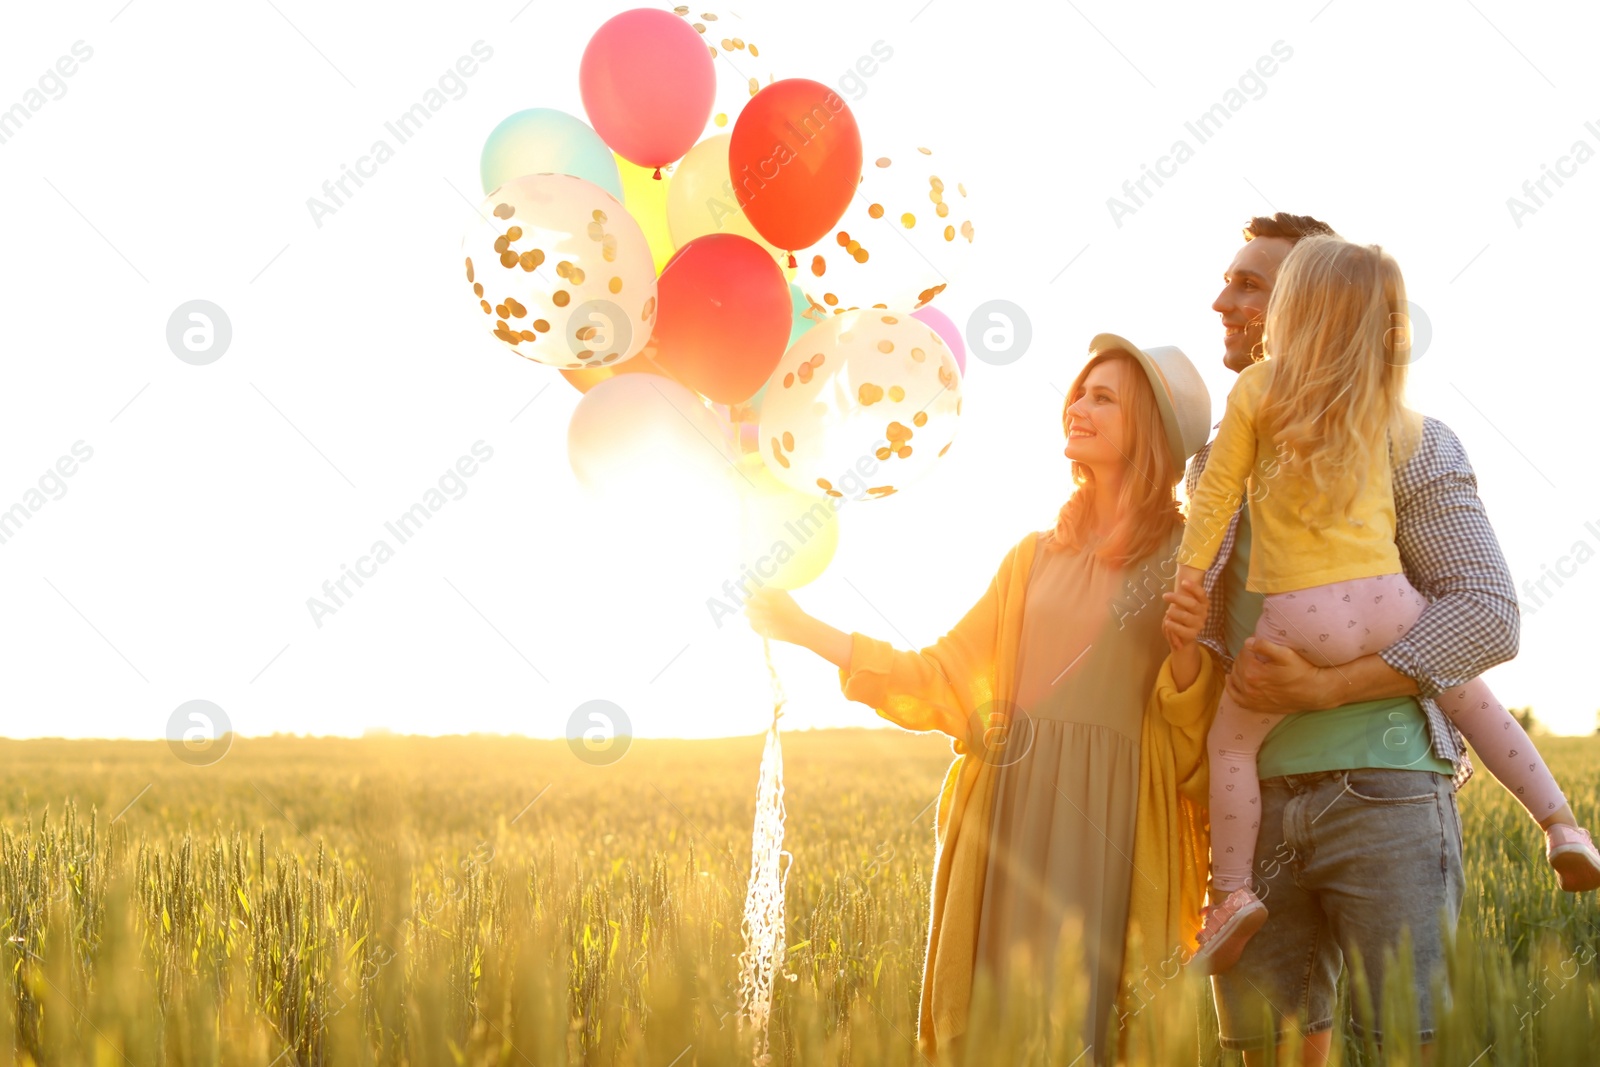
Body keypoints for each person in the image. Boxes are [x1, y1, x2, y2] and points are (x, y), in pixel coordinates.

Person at [745, 335, 1219, 1064]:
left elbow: (1198, 738)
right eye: (1080, 390)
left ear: (1150, 432)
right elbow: (942, 674)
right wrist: (806, 629)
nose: (1078, 406)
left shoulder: (1186, 555)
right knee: (1005, 1026)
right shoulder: (1032, 557)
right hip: (1012, 812)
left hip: (1117, 822)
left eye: (1104, 397)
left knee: (1098, 1026)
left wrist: (1186, 651)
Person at [1166, 234, 1600, 977]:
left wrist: (1190, 576)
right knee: (1472, 698)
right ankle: (1561, 822)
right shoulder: (1387, 407)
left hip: (1370, 764)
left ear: (1292, 307)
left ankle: (1230, 894)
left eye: (1252, 285)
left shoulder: (1265, 400)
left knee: (1230, 744)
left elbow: (1490, 614)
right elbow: (1199, 643)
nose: (1225, 304)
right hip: (1381, 608)